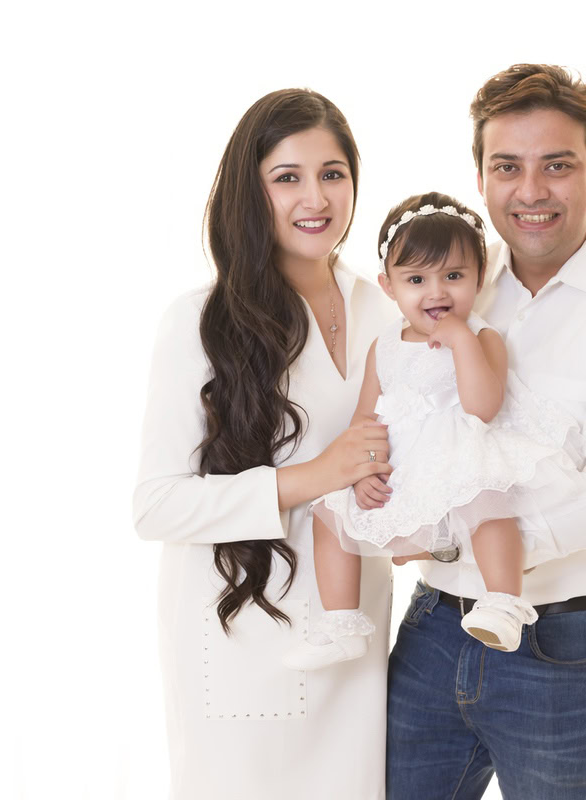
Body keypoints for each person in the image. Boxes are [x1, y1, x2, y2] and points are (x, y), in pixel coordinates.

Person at [385, 64, 586, 799]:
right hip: (433, 628)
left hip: (561, 647)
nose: (530, 191)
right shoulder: (446, 289)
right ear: (481, 178)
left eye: (556, 166)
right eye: (508, 167)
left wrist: (446, 538)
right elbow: (403, 413)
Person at [132, 89, 398, 800]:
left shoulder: (386, 307)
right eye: (288, 177)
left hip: (354, 633)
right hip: (242, 635)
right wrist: (314, 474)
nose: (316, 197)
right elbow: (155, 507)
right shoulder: (201, 321)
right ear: (252, 192)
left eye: (333, 173)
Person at [282, 192, 583, 672]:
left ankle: (502, 601)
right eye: (416, 279)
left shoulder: (484, 336)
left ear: (479, 277)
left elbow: (483, 407)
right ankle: (340, 623)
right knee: (328, 514)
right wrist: (363, 474)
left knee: (487, 501)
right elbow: (367, 420)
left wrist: (462, 341)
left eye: (454, 276)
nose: (437, 292)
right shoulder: (385, 344)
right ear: (389, 286)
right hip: (407, 464)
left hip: (463, 449)